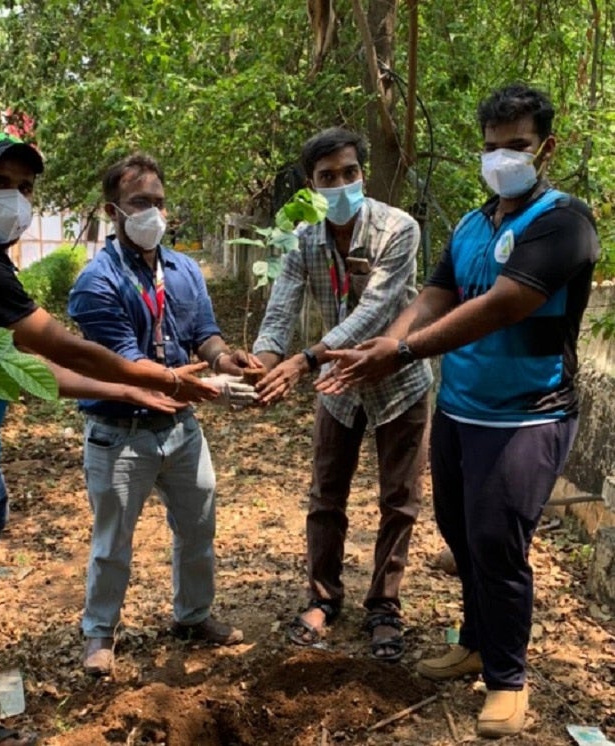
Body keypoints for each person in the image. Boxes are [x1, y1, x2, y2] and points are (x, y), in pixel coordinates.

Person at [0, 132, 220, 746]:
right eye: (0, 183)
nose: (16, 198)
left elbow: (20, 368)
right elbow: (58, 344)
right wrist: (157, 375)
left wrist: (131, 391)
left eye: (26, 187)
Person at [317, 84, 600, 737]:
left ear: (546, 148)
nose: (503, 158)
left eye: (518, 147)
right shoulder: (475, 225)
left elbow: (506, 303)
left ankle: (507, 679)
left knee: (498, 543)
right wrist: (393, 339)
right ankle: (475, 639)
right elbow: (437, 292)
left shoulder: (564, 221)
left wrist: (405, 349)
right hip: (462, 407)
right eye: (493, 146)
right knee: (458, 531)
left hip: (529, 412)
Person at [68, 153, 259, 677]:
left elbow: (204, 332)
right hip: (120, 433)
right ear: (113, 211)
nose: (152, 213)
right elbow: (128, 362)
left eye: (158, 202)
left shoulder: (184, 269)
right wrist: (187, 381)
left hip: (180, 429)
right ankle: (99, 633)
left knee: (198, 527)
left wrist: (225, 359)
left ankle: (193, 617)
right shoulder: (96, 282)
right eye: (139, 204)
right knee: (113, 541)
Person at [251, 128, 433, 661]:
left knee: (400, 501)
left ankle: (385, 606)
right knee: (326, 495)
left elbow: (378, 309)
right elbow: (281, 308)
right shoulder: (305, 241)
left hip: (398, 382)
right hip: (338, 391)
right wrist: (262, 364)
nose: (340, 185)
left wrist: (304, 360)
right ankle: (323, 598)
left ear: (363, 173)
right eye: (327, 177)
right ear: (311, 185)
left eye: (349, 173)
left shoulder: (399, 229)